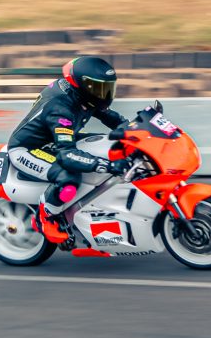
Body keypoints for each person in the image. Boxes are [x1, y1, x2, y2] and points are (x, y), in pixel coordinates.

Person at [7, 57, 130, 244]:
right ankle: (45, 217)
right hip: (29, 149)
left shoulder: (84, 96)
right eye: (99, 88)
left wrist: (137, 130)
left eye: (107, 88)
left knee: (110, 142)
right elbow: (67, 155)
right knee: (69, 178)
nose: (104, 94)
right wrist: (108, 165)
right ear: (83, 86)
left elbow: (113, 119)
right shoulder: (61, 108)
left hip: (56, 141)